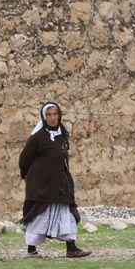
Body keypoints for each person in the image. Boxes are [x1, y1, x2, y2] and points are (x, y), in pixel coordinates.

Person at [18, 102, 91, 259]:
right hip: (41, 185)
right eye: (49, 115)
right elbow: (24, 159)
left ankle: (71, 247)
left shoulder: (62, 133)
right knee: (38, 215)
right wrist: (29, 177)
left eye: (55, 114)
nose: (52, 118)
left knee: (67, 212)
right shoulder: (38, 137)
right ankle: (31, 250)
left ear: (59, 115)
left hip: (60, 182)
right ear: (44, 117)